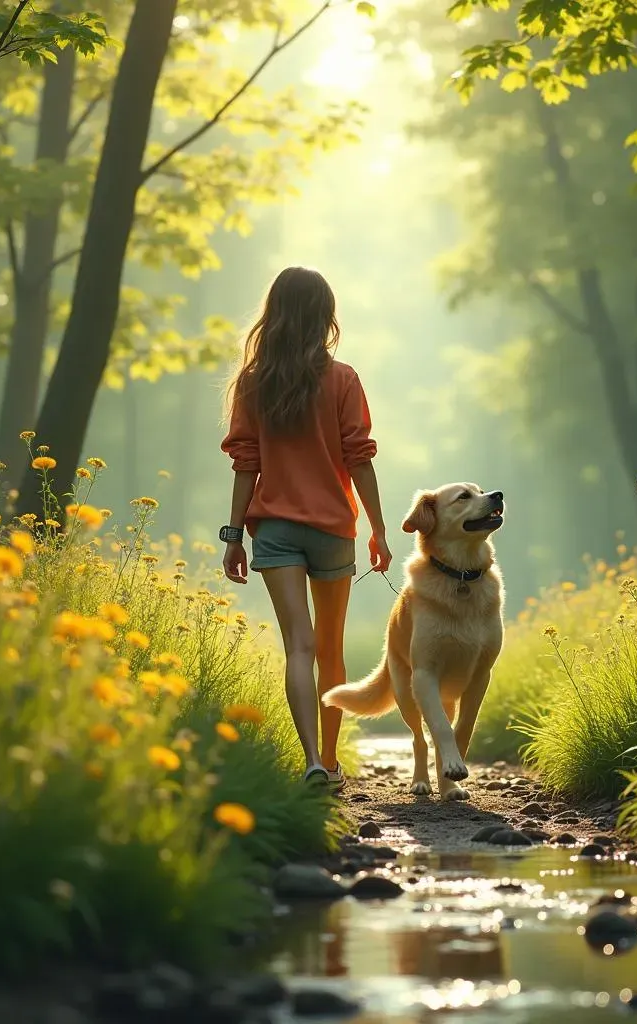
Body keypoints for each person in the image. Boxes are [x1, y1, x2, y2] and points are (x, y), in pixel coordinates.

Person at [220, 266, 392, 790]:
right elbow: (359, 458)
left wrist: (233, 536)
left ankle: (312, 761)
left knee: (298, 645)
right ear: (324, 316)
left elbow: (245, 461)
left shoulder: (254, 384)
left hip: (273, 529)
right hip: (332, 528)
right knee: (329, 648)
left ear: (273, 314)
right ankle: (334, 764)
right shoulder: (342, 380)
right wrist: (379, 530)